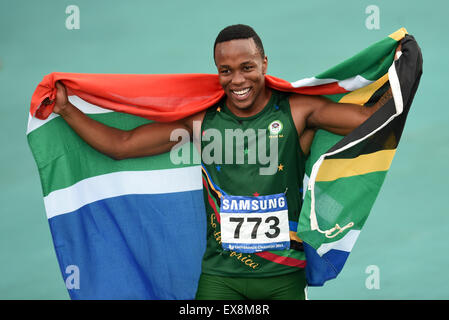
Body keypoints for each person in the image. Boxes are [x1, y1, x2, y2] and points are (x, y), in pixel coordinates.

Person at [51, 24, 398, 300]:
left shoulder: (298, 111)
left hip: (283, 280)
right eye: (225, 70)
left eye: (247, 67)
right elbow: (122, 145)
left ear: (264, 63)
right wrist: (67, 109)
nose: (237, 80)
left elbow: (371, 120)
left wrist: (404, 66)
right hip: (221, 281)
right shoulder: (202, 123)